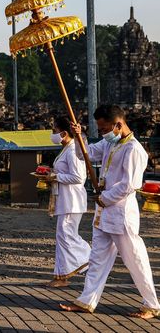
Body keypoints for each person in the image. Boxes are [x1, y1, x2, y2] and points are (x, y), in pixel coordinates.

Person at [59, 104, 159, 319]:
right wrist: (79, 137)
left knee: (135, 259)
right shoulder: (110, 142)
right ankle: (86, 301)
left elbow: (129, 185)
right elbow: (85, 155)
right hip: (103, 212)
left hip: (121, 212)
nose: (103, 133)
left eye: (105, 129)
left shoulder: (134, 149)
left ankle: (151, 304)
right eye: (101, 130)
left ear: (118, 124)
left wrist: (105, 198)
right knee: (98, 257)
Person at [44, 116, 90, 288]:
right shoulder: (66, 149)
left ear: (63, 133)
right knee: (62, 235)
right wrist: (52, 174)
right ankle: (61, 275)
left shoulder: (72, 150)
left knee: (67, 234)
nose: (52, 134)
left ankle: (92, 258)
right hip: (65, 198)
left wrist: (56, 176)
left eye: (54, 130)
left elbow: (78, 177)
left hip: (73, 199)